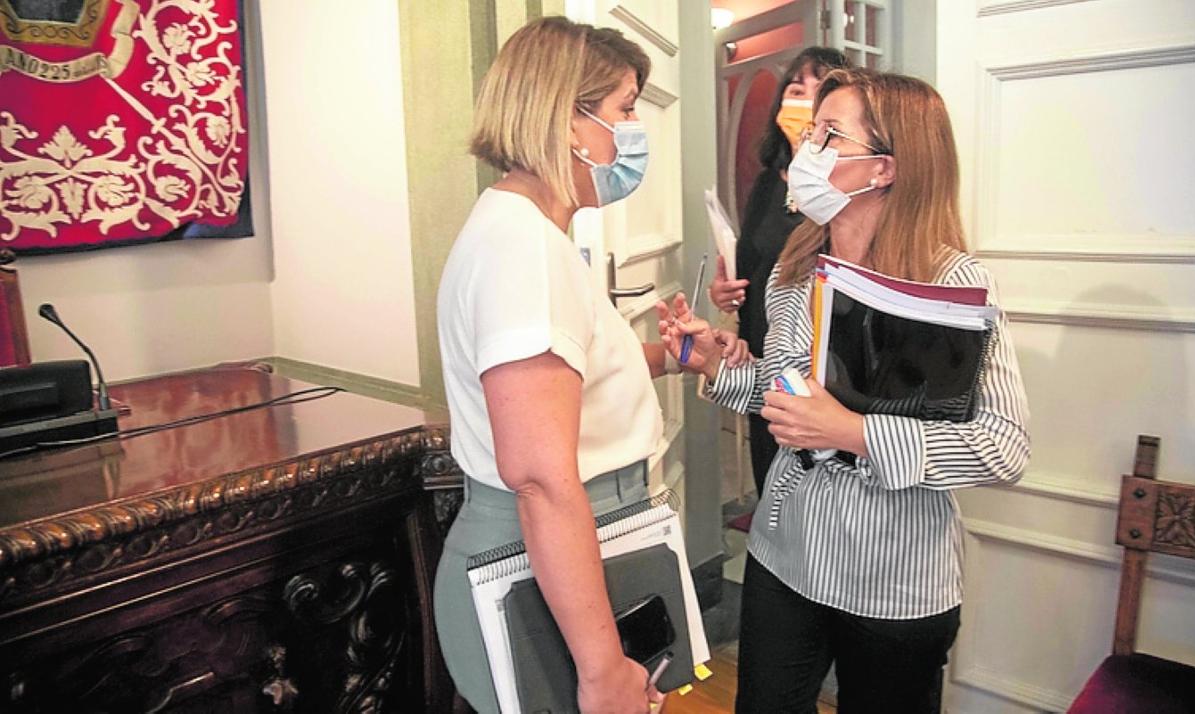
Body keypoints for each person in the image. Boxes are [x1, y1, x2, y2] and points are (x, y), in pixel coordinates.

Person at [658, 67, 1031, 713]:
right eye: (811, 132)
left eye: (830, 136)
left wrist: (855, 433)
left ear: (884, 168)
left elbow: (1003, 446)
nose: (807, 150)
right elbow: (783, 396)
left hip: (897, 580)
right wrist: (712, 366)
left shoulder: (956, 286)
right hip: (786, 553)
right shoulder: (796, 268)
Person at [434, 17, 675, 714]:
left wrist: (672, 357)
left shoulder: (530, 236)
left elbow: (571, 385)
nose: (633, 131)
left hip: (572, 550)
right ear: (570, 119)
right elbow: (540, 477)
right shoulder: (524, 252)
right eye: (625, 110)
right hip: (536, 559)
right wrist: (601, 672)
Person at [708, 47, 849, 498]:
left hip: (822, 370)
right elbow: (750, 264)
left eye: (820, 89)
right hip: (761, 359)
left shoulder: (845, 190)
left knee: (815, 485)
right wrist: (725, 291)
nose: (805, 99)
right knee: (771, 480)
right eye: (795, 89)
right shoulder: (769, 182)